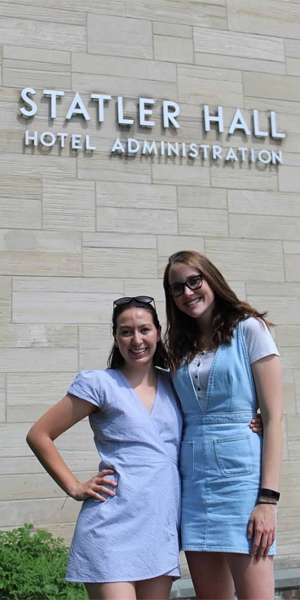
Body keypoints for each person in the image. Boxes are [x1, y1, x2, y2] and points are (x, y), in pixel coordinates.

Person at [26, 296, 183, 600]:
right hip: (111, 530)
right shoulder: (99, 383)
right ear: (115, 337)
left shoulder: (176, 383)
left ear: (158, 332)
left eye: (144, 330)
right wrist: (73, 486)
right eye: (126, 331)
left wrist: (255, 420)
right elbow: (40, 434)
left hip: (159, 530)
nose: (136, 339)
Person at [163, 250, 284, 600]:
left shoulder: (249, 329)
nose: (187, 292)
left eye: (193, 281)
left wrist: (268, 500)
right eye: (176, 287)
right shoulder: (178, 347)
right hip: (193, 484)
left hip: (242, 484)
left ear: (211, 279)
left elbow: (275, 419)